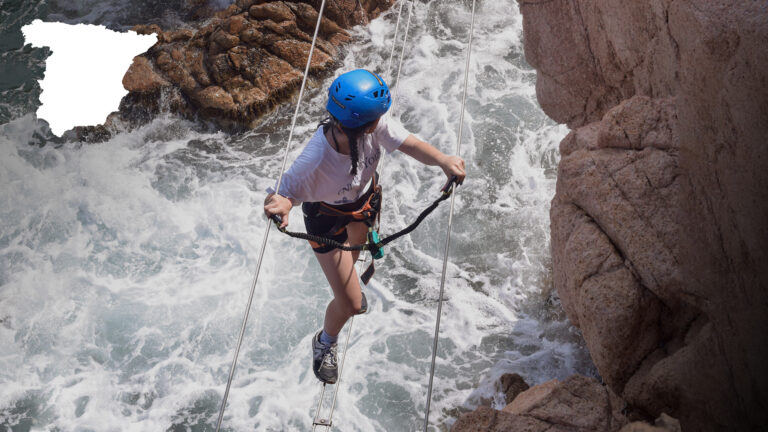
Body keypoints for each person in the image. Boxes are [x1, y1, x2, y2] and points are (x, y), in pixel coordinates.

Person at [263, 69, 466, 384]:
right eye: (377, 118)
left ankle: (346, 286)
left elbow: (408, 144)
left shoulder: (369, 125)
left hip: (364, 204)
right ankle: (324, 342)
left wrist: (442, 160)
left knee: (353, 262)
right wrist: (284, 205)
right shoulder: (315, 160)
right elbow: (283, 193)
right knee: (353, 305)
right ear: (360, 123)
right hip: (326, 220)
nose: (382, 121)